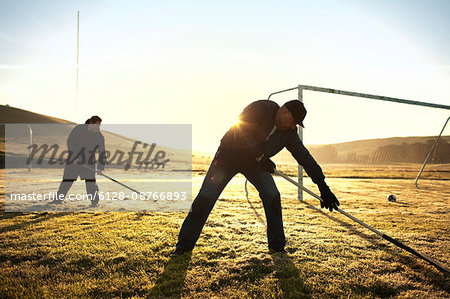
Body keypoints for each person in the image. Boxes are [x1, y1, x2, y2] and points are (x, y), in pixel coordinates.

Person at [173, 100, 339, 255]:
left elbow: (305, 157)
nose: (292, 126)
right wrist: (260, 155)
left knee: (272, 195)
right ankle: (183, 246)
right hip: (227, 157)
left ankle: (277, 247)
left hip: (254, 164)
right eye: (293, 121)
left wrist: (323, 188)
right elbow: (241, 131)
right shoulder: (261, 109)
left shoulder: (289, 133)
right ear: (284, 111)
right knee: (206, 197)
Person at [52, 115, 106, 207]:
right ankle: (57, 200)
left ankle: (94, 203)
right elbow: (70, 142)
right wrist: (74, 156)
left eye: (99, 125)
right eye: (97, 125)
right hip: (73, 161)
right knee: (67, 181)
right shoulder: (79, 129)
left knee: (91, 184)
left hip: (89, 162)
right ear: (91, 123)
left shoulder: (99, 135)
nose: (98, 127)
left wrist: (101, 168)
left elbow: (102, 152)